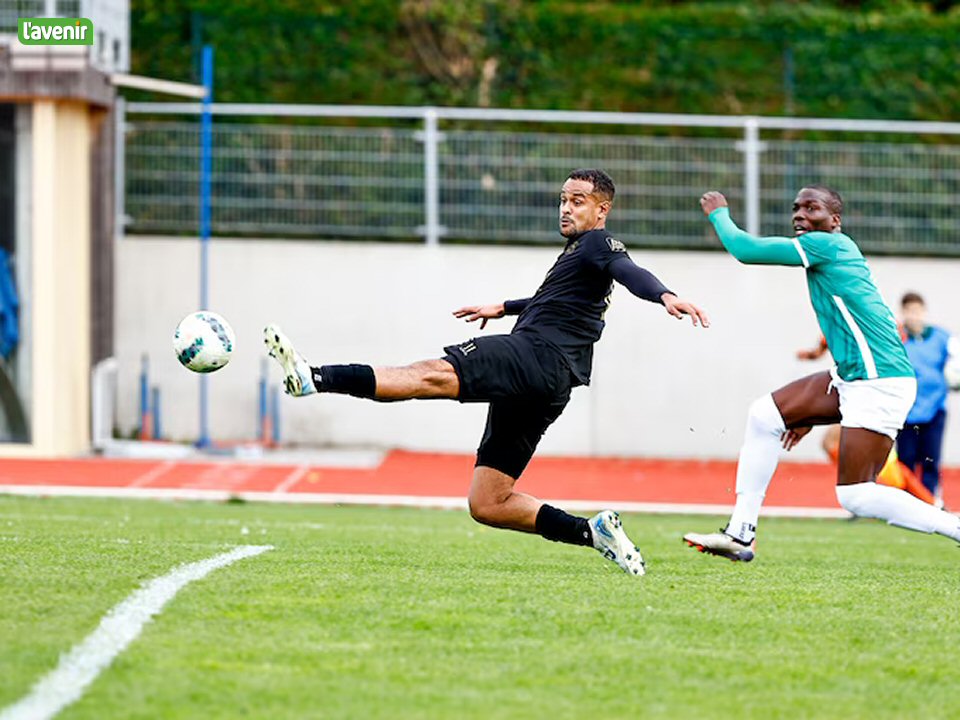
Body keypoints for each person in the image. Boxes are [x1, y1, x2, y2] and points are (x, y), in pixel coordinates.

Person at [265, 168, 709, 577]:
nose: (566, 208)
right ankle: (592, 533)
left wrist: (664, 295)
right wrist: (505, 307)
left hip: (535, 355)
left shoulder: (599, 245)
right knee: (489, 502)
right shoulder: (579, 257)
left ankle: (314, 377)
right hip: (550, 382)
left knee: (430, 374)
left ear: (601, 209)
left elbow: (628, 270)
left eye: (577, 201)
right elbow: (558, 300)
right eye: (563, 199)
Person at [683, 185, 960, 562]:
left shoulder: (825, 245)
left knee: (856, 494)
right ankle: (740, 534)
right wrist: (810, 407)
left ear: (835, 220)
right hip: (853, 376)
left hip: (879, 381)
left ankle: (954, 527)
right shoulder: (834, 251)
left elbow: (745, 250)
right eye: (796, 208)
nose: (800, 215)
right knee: (766, 416)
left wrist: (719, 213)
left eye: (811, 208)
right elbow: (856, 314)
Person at [796, 336, 935, 505]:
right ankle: (865, 490)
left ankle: (922, 502)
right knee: (836, 444)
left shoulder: (877, 322)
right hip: (857, 388)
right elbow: (831, 332)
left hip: (876, 389)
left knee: (884, 462)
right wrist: (818, 351)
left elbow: (896, 341)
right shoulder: (845, 319)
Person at [898, 292, 960, 506]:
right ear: (903, 313)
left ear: (924, 312)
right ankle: (906, 504)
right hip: (906, 409)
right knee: (905, 459)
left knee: (930, 459)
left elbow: (955, 364)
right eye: (909, 311)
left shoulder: (943, 338)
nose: (914, 316)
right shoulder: (897, 338)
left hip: (935, 408)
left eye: (917, 311)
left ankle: (930, 501)